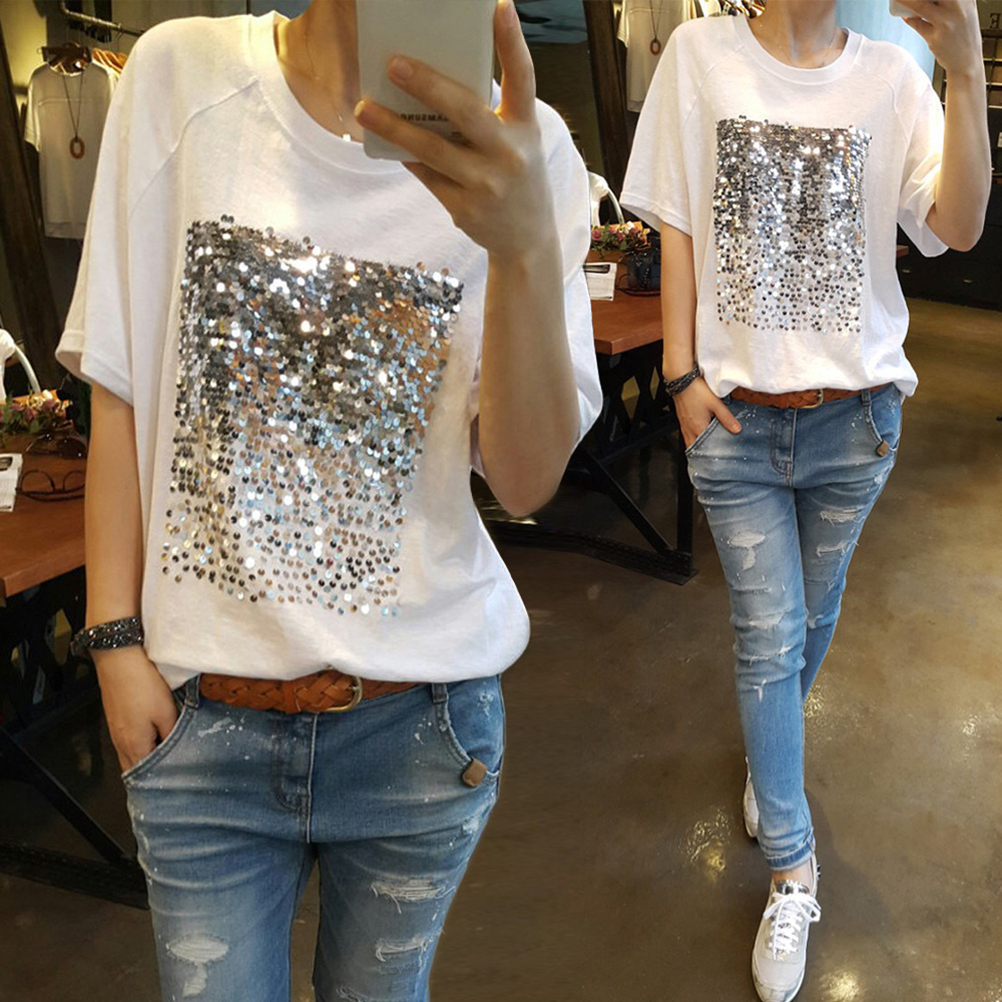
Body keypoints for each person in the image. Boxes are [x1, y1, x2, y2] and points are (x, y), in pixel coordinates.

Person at [55, 1, 600, 999]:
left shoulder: (530, 154)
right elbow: (118, 388)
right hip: (202, 725)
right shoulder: (180, 79)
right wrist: (113, 643)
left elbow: (524, 481)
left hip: (419, 725)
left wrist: (524, 248)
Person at [620, 1, 989, 999]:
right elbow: (677, 221)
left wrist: (965, 72)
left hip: (854, 420)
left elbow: (957, 227)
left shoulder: (895, 75)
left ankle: (767, 757)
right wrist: (680, 375)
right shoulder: (698, 54)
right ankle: (793, 866)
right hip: (734, 422)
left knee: (811, 620)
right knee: (770, 632)